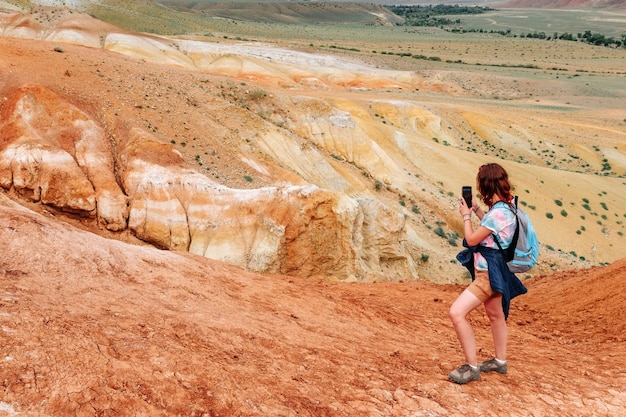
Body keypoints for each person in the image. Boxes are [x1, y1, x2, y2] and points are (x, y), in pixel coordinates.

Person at [448, 163, 527, 384]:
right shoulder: (508, 207)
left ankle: (471, 367)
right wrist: (476, 210)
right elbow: (494, 228)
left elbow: (473, 240)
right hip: (498, 270)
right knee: (496, 316)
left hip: (488, 274)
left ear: (485, 185)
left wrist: (465, 216)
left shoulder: (498, 213)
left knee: (456, 313)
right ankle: (500, 362)